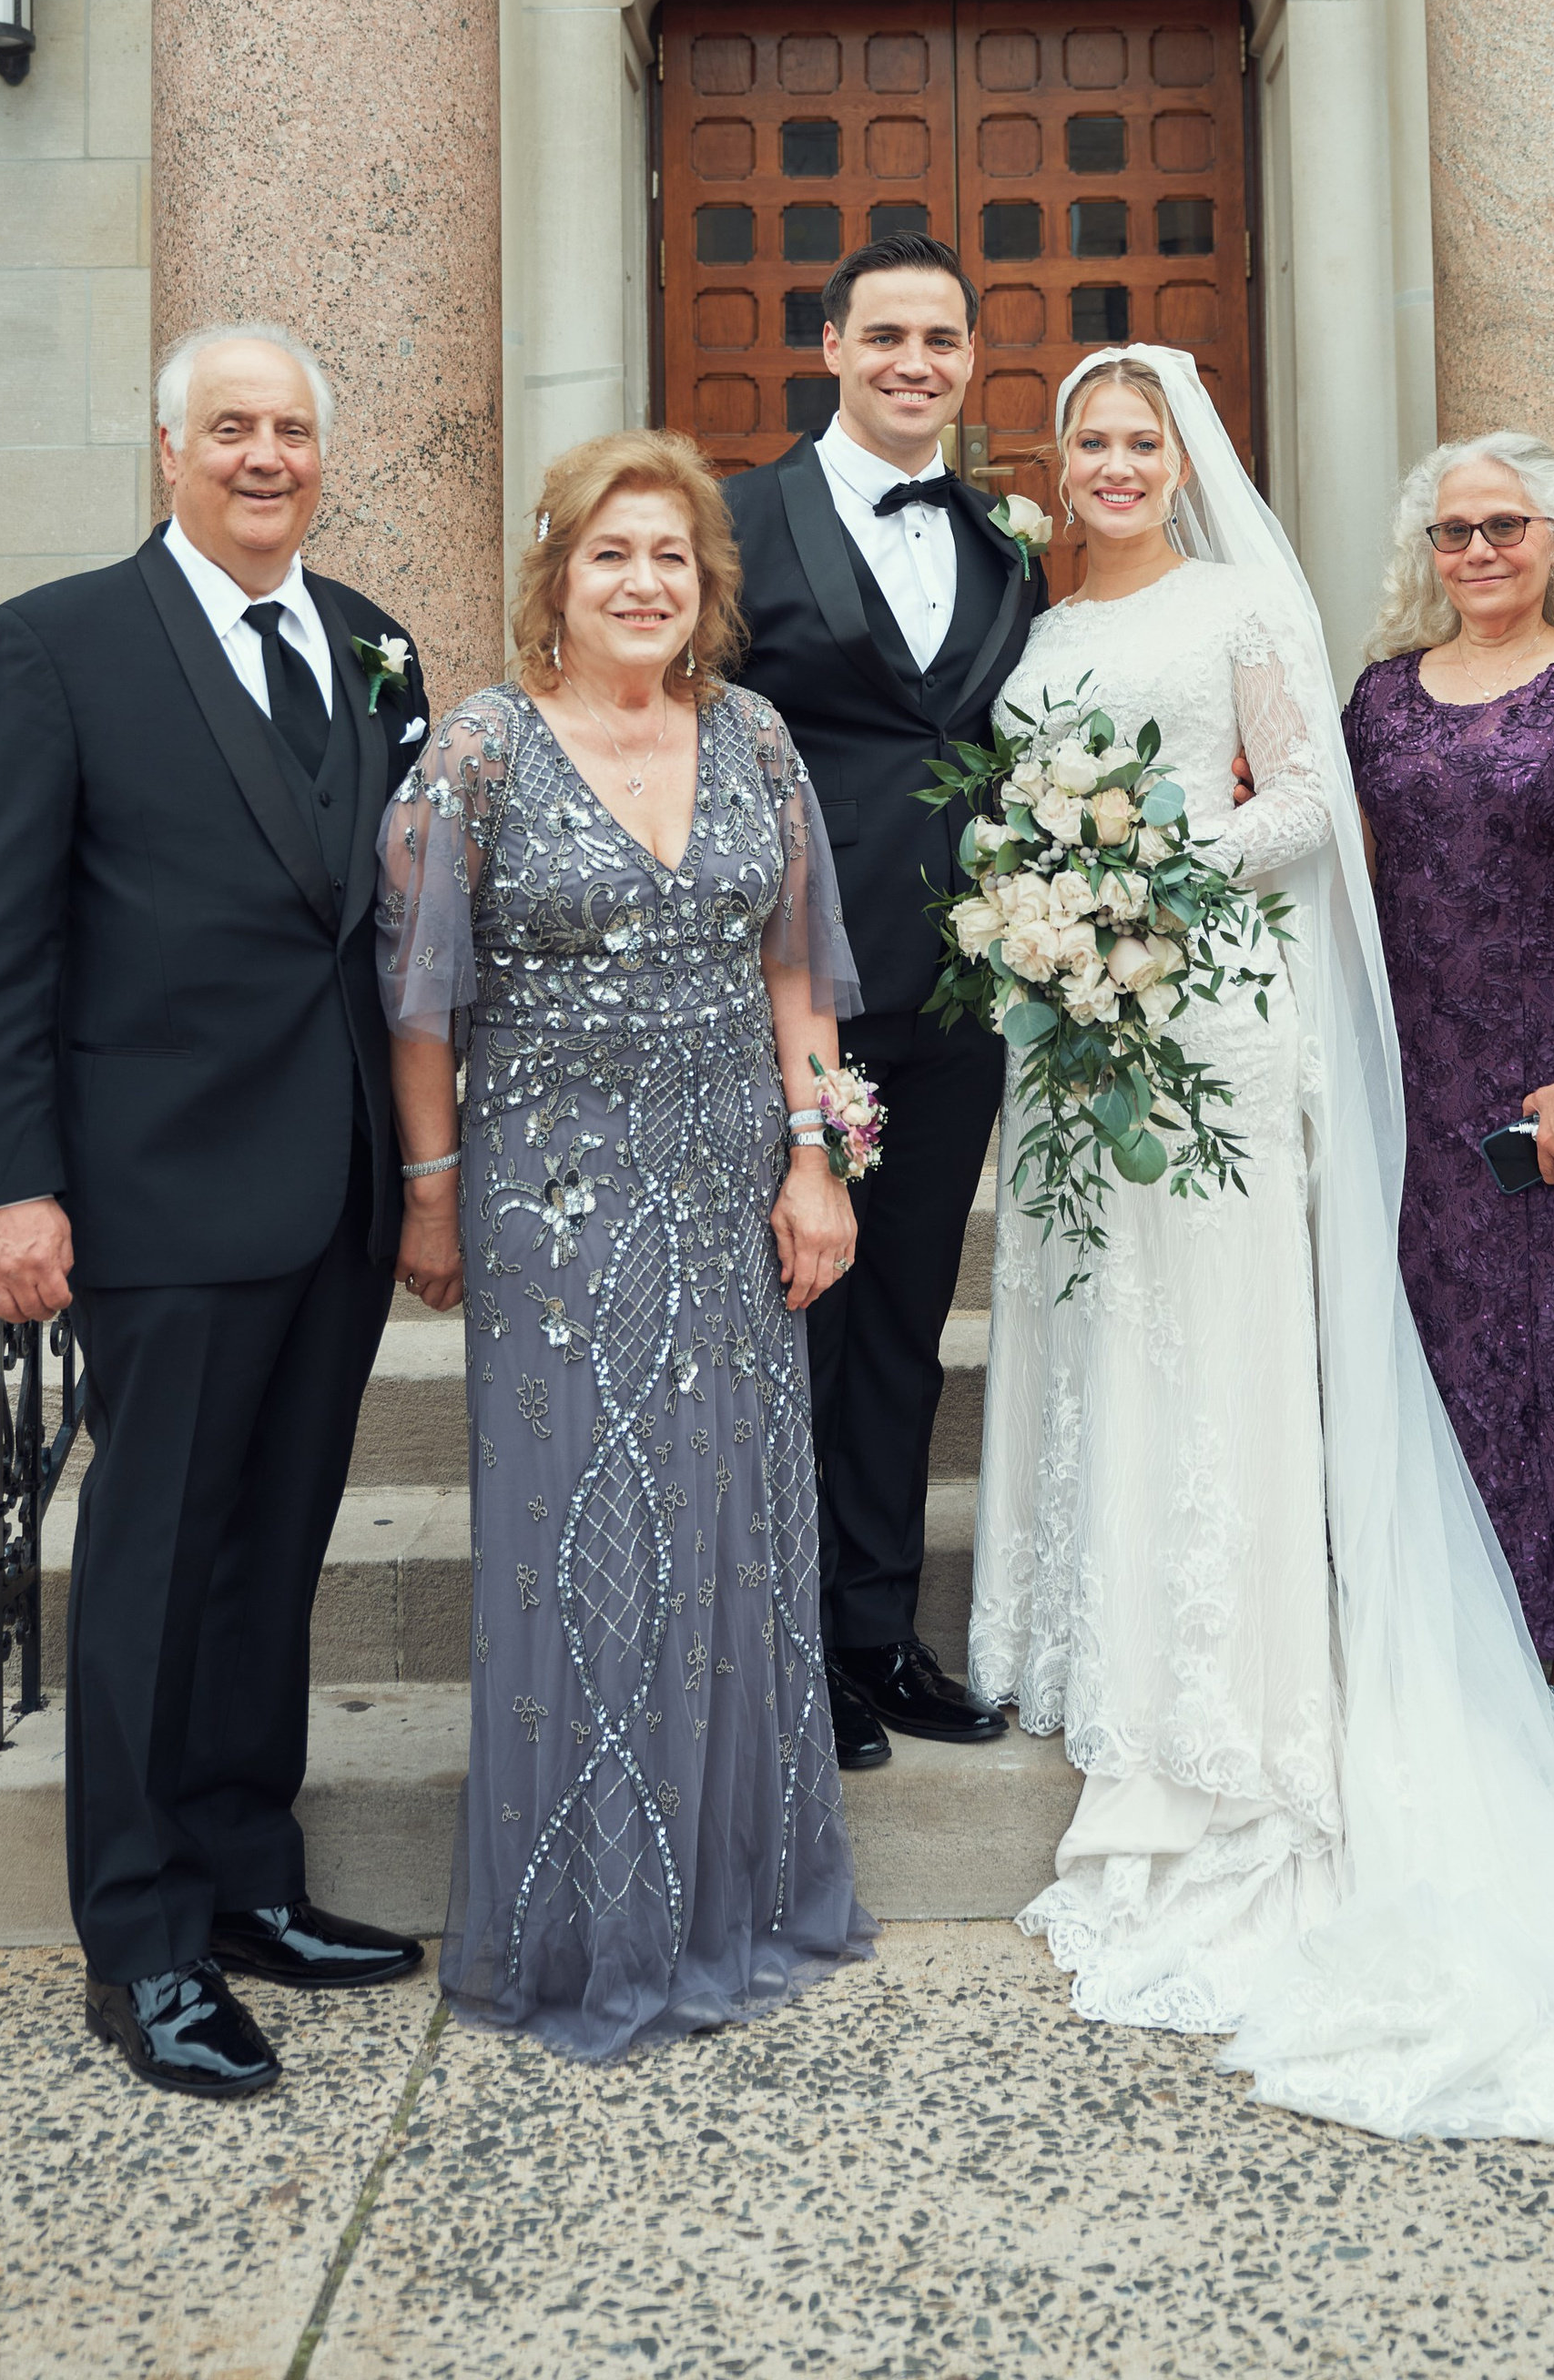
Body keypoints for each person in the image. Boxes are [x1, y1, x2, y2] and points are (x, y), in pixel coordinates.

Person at [968, 349, 1554, 2141]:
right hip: (1140, 1028)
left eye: (1145, 438)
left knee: (1387, 1348)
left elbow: (1306, 813)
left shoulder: (1296, 625)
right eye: (1091, 441)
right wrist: (1045, 894)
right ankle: (1127, 1647)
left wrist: (1139, 872)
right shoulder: (1065, 628)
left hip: (1305, 1022)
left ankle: (1414, 1660)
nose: (1117, 463)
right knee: (1151, 1336)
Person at [0, 324, 432, 2104]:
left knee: (273, 1549)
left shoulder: (374, 643)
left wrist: (425, 1168)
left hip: (335, 1185)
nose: (264, 456)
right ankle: (141, 1946)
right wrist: (5, 1184)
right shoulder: (57, 643)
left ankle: (246, 1881)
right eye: (230, 429)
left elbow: (394, 924)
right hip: (151, 1189)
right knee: (151, 1566)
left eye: (291, 429)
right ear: (168, 451)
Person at [377, 430, 872, 2059]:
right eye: (612, 554)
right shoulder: (483, 751)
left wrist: (817, 1163)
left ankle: (728, 1894)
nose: (644, 583)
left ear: (706, 583)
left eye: (672, 556)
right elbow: (423, 1002)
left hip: (732, 1183)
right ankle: (591, 1921)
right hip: (556, 1199)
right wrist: (433, 1192)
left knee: (728, 1522)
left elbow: (796, 969)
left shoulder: (756, 737)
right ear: (558, 576)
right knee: (583, 1527)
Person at [723, 237, 1046, 1770]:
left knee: (908, 1318)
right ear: (832, 347)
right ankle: (789, 1649)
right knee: (804, 1314)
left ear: (970, 360)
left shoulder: (1003, 540)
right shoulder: (734, 525)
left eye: (943, 340)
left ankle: (877, 1631)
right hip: (796, 985)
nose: (916, 363)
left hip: (962, 995)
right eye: (887, 335)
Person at [1342, 434, 1554, 1746]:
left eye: (1505, 527)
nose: (1477, 551)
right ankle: (1455, 1627)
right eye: (1454, 531)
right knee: (1444, 1349)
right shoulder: (1379, 697)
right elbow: (1353, 885)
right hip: (1417, 1076)